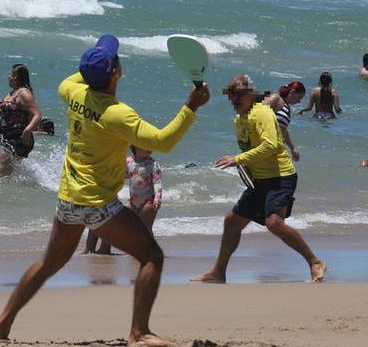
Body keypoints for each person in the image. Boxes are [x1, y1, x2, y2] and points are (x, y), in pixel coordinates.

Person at [0, 35, 210, 347]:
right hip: (98, 204)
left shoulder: (71, 91)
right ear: (116, 72)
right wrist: (191, 106)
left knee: (48, 264)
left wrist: (96, 62)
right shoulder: (118, 114)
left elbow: (80, 75)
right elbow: (163, 142)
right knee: (152, 256)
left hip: (67, 198)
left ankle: (2, 321)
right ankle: (139, 332)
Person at [193, 74, 326, 283]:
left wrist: (237, 159)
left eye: (239, 95)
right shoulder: (240, 118)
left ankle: (314, 261)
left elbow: (270, 146)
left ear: (251, 94)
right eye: (231, 96)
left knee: (273, 222)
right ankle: (219, 272)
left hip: (281, 176)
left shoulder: (261, 113)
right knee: (232, 222)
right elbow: (252, 149)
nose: (234, 100)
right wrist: (245, 167)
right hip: (260, 180)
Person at [83, 145, 164, 255]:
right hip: (134, 202)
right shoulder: (129, 161)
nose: (150, 149)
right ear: (135, 146)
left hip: (149, 201)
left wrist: (158, 199)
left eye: (151, 146)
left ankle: (152, 250)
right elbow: (119, 175)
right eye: (146, 146)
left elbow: (157, 182)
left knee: (146, 228)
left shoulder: (153, 164)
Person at [0, 63, 44, 177]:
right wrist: (0, 111)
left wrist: (27, 131)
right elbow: (14, 113)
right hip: (9, 137)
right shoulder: (12, 93)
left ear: (15, 76)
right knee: (10, 176)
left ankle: (0, 194)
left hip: (18, 138)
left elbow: (37, 114)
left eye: (10, 74)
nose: (8, 76)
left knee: (1, 177)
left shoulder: (23, 92)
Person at [264, 80, 305, 162]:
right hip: (266, 146)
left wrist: (292, 148)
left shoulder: (285, 106)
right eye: (299, 98)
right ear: (292, 92)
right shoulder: (277, 99)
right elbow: (259, 115)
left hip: (273, 148)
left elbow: (283, 129)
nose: (299, 101)